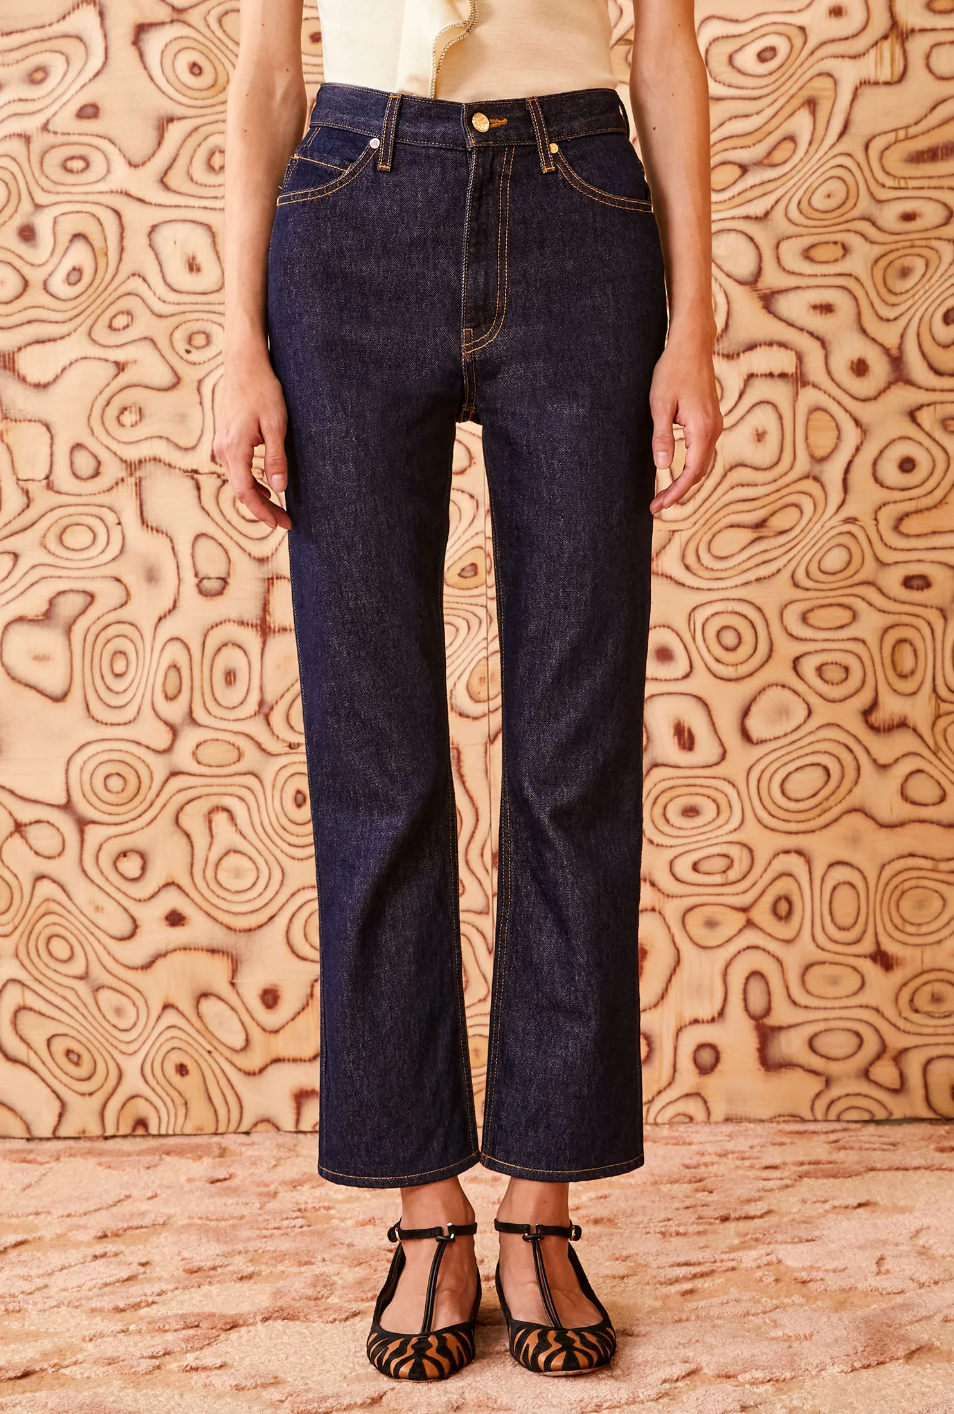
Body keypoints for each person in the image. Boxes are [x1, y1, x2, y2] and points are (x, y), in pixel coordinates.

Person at [213, 0, 722, 1383]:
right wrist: (237, 338)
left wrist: (693, 324)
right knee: (373, 753)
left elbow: (663, 47)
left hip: (579, 211)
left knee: (574, 746)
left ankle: (542, 1202)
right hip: (348, 212)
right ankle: (424, 1205)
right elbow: (269, 71)